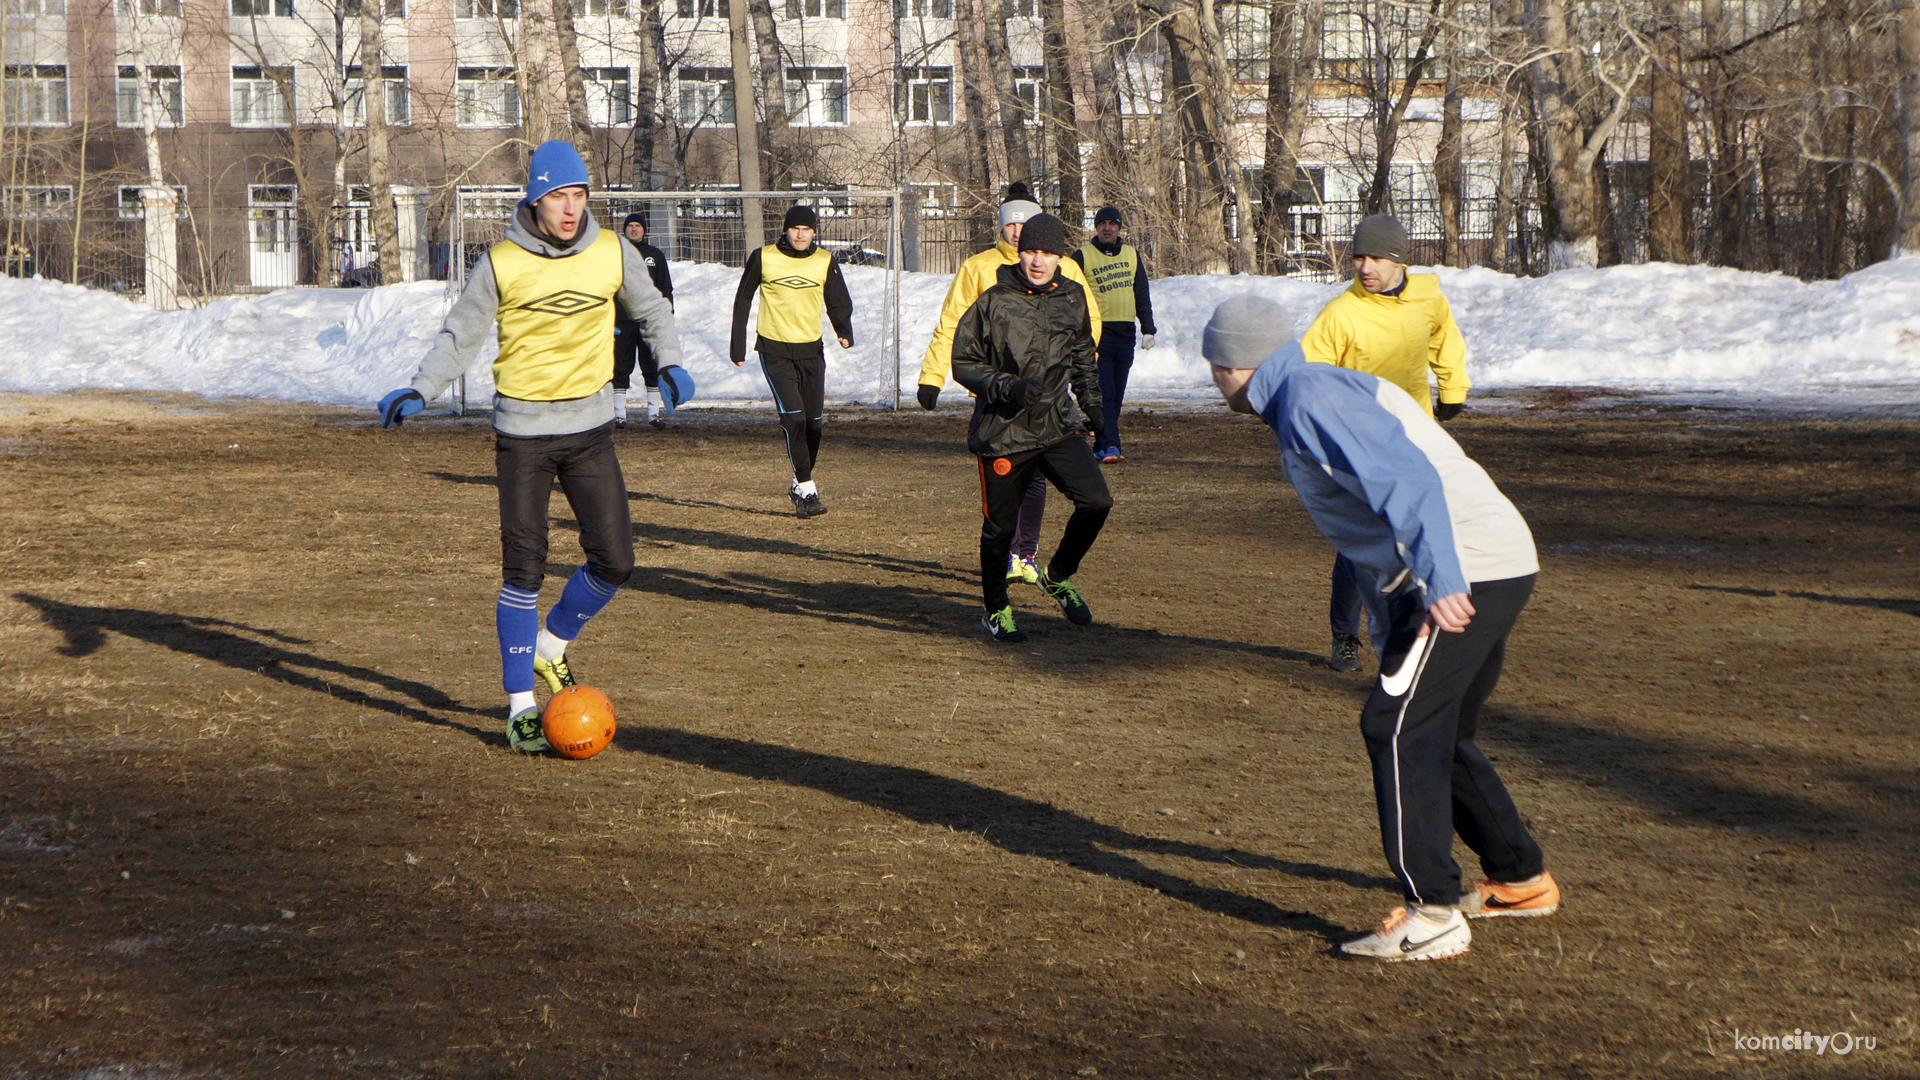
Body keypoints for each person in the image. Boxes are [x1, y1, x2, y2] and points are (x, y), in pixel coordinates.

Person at [1203, 293, 1559, 962]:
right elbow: (1370, 519)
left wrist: (1443, 577)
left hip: (1465, 567)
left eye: (1213, 364)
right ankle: (1519, 877)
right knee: (1438, 730)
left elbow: (1407, 480)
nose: (1212, 377)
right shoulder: (1312, 390)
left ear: (1232, 363)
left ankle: (1433, 915)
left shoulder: (1309, 398)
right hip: (1489, 560)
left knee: (1396, 727)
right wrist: (1394, 611)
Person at [374, 141, 682, 754]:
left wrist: (670, 366)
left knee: (616, 561)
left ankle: (552, 645)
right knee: (524, 570)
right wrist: (421, 388)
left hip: (591, 431)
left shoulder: (612, 251)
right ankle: (519, 707)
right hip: (522, 436)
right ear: (535, 201)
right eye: (557, 198)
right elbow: (461, 335)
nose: (571, 210)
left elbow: (653, 311)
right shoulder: (501, 262)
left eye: (579, 196)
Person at [1299, 214, 1471, 674]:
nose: (1365, 266)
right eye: (1359, 257)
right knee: (1360, 542)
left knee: (1420, 531)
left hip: (1415, 436)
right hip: (1359, 445)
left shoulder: (1427, 297)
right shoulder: (1341, 313)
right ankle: (1345, 636)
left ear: (1398, 259)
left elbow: (1444, 341)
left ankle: (1419, 629)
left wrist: (1452, 391)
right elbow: (1307, 376)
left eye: (1375, 257)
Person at [917, 182, 1102, 586]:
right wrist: (933, 376)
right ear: (1002, 229)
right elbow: (954, 325)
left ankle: (1025, 552)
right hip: (999, 402)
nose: (1019, 234)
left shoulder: (1065, 270)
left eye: (1027, 225)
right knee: (1011, 492)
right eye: (1011, 225)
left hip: (1049, 403)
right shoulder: (980, 270)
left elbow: (1086, 331)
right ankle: (1008, 563)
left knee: (1045, 481)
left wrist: (1084, 391)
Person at [950, 212, 1111, 643]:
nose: (1038, 261)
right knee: (1000, 529)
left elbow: (1082, 357)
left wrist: (1095, 409)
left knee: (1096, 502)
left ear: (1061, 257)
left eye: (1047, 253)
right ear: (1020, 252)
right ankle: (997, 609)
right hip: (1003, 432)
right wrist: (1008, 387)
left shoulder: (1073, 296)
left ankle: (1057, 575)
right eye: (1030, 251)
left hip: (1057, 425)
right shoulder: (993, 301)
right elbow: (963, 363)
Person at [729, 204, 854, 518]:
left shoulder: (824, 260)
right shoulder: (764, 257)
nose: (800, 234)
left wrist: (843, 329)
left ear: (814, 233)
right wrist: (738, 345)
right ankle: (808, 490)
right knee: (794, 418)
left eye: (807, 229)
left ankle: (799, 483)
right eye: (795, 228)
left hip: (812, 352)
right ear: (785, 229)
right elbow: (743, 299)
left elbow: (838, 300)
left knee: (814, 425)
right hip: (775, 351)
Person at [1069, 205, 1156, 464]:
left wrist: (1148, 328)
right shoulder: (1082, 256)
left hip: (1125, 334)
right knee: (1104, 392)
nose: (1107, 228)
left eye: (1112, 223)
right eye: (1102, 223)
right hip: (1097, 335)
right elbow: (1069, 294)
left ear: (1119, 227)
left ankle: (1100, 442)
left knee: (1116, 395)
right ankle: (1111, 446)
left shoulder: (1131, 255)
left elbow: (1141, 293)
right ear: (1096, 227)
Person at [612, 212, 675, 429]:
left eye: (638, 226)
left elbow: (665, 286)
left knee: (651, 366)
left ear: (644, 229)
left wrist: (666, 314)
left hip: (648, 321)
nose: (634, 229)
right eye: (630, 226)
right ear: (625, 229)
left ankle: (653, 415)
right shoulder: (616, 255)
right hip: (622, 321)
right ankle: (619, 415)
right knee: (620, 367)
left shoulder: (654, 255)